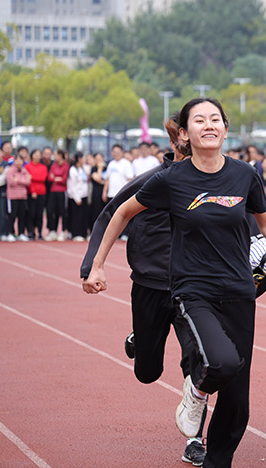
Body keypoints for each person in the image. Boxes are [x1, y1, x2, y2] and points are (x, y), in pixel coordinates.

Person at [83, 97, 266, 468]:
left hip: (239, 290)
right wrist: (97, 265)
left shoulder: (244, 174)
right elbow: (120, 212)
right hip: (193, 289)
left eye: (216, 119)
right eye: (199, 120)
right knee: (221, 362)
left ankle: (216, 461)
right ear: (184, 133)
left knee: (237, 398)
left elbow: (265, 222)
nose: (209, 125)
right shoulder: (171, 179)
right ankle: (197, 389)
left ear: (225, 129)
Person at [82, 113, 211, 466]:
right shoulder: (152, 181)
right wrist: (93, 265)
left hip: (193, 286)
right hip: (150, 284)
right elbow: (111, 214)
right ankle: (141, 338)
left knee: (198, 360)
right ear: (175, 143)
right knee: (147, 372)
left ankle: (195, 439)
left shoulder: (215, 184)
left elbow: (246, 224)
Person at [5, 153, 31, 241]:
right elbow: (11, 182)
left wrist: (18, 180)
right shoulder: (10, 170)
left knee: (22, 216)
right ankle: (10, 233)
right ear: (14, 161)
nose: (19, 162)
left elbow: (28, 182)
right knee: (12, 216)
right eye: (17, 160)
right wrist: (22, 181)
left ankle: (21, 233)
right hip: (13, 197)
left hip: (23, 197)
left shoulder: (24, 170)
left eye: (20, 160)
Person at [46, 149, 69, 242]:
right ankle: (53, 231)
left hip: (62, 191)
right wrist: (57, 178)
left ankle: (63, 231)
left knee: (62, 212)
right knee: (51, 211)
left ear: (60, 156)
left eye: (55, 155)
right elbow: (49, 178)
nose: (54, 157)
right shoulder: (53, 165)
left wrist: (55, 178)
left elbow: (64, 179)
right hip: (53, 191)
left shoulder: (66, 166)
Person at [25, 149, 48, 240]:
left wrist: (33, 177)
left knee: (39, 214)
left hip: (41, 192)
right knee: (31, 213)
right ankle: (31, 232)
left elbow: (43, 178)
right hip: (31, 192)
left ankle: (40, 232)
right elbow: (28, 180)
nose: (37, 156)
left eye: (39, 155)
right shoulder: (27, 166)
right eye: (36, 154)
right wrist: (32, 191)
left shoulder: (43, 167)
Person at [67, 152, 90, 242]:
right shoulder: (73, 170)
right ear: (79, 159)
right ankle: (76, 233)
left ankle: (84, 233)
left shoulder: (83, 168)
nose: (85, 160)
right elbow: (72, 185)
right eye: (83, 158)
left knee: (84, 215)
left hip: (84, 195)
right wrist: (77, 197)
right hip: (76, 196)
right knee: (77, 216)